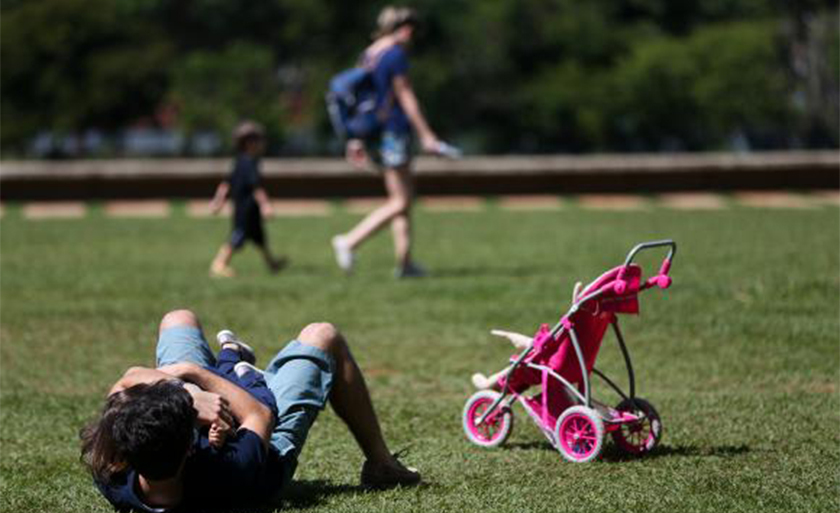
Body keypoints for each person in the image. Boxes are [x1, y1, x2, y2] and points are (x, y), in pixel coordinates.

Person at [80, 309, 420, 512]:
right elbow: (258, 415)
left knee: (177, 319)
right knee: (323, 335)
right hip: (266, 442)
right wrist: (195, 376)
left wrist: (186, 392)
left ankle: (227, 366)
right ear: (189, 446)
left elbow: (126, 381)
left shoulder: (112, 471)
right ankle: (381, 465)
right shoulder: (229, 473)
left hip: (194, 418)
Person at [331, 6, 444, 278]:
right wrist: (427, 134)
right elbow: (405, 96)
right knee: (401, 201)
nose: (412, 34)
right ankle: (349, 241)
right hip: (393, 131)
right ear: (400, 28)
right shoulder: (394, 55)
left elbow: (357, 101)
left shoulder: (369, 54)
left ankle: (405, 264)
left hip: (374, 133)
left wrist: (355, 139)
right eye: (410, 28)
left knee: (402, 198)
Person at [209, 121, 285, 278]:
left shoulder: (241, 160)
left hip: (249, 208)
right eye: (259, 140)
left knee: (259, 237)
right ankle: (219, 264)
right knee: (238, 236)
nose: (262, 143)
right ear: (249, 143)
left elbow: (225, 184)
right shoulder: (249, 163)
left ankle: (272, 263)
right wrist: (266, 205)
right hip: (245, 208)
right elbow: (256, 187)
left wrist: (218, 201)